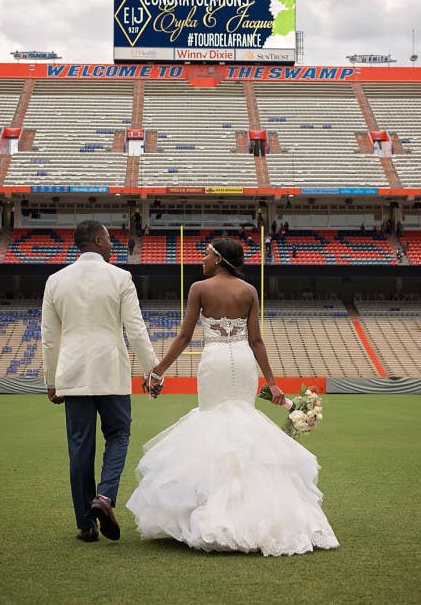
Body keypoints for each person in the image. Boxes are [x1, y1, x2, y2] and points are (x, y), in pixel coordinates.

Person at [126, 238, 339, 556]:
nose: (202, 259)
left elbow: (184, 335)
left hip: (213, 362)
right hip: (242, 362)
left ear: (220, 259)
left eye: (207, 254)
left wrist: (158, 371)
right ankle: (258, 509)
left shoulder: (199, 288)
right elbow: (256, 341)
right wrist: (273, 383)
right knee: (243, 420)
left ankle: (213, 509)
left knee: (213, 422)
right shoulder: (249, 291)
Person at [41, 220, 158, 543]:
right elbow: (135, 329)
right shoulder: (121, 277)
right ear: (96, 239)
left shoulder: (55, 281)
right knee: (119, 434)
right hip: (110, 371)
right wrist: (152, 370)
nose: (112, 244)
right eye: (108, 238)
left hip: (73, 372)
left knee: (80, 447)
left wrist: (51, 379)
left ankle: (85, 525)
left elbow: (49, 338)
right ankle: (104, 497)